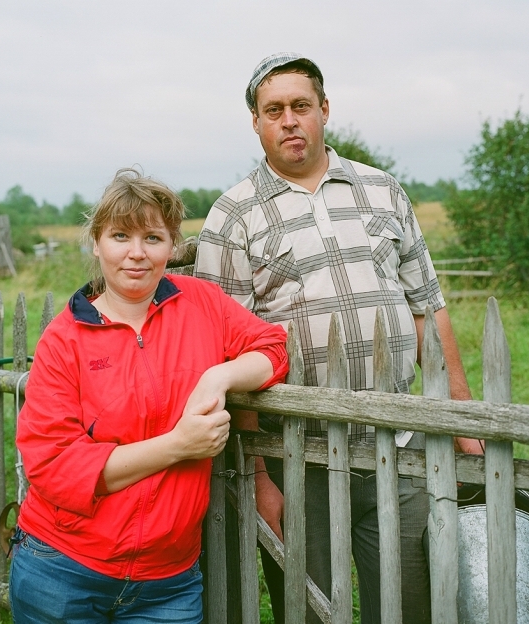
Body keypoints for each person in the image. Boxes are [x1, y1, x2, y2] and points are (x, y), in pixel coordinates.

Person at [194, 52, 484, 624]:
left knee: (407, 607)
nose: (289, 120)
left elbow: (427, 307)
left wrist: (462, 418)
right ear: (255, 122)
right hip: (296, 455)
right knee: (309, 610)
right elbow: (226, 347)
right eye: (273, 110)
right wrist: (257, 475)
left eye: (301, 106)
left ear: (325, 110)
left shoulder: (383, 191)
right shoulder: (233, 215)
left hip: (398, 446)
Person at [9, 168, 288, 624]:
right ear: (96, 243)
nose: (136, 254)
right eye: (120, 236)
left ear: (172, 246)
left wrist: (218, 377)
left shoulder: (203, 304)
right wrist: (178, 445)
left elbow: (273, 349)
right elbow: (55, 467)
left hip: (168, 585)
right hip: (63, 572)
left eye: (153, 238)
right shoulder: (64, 340)